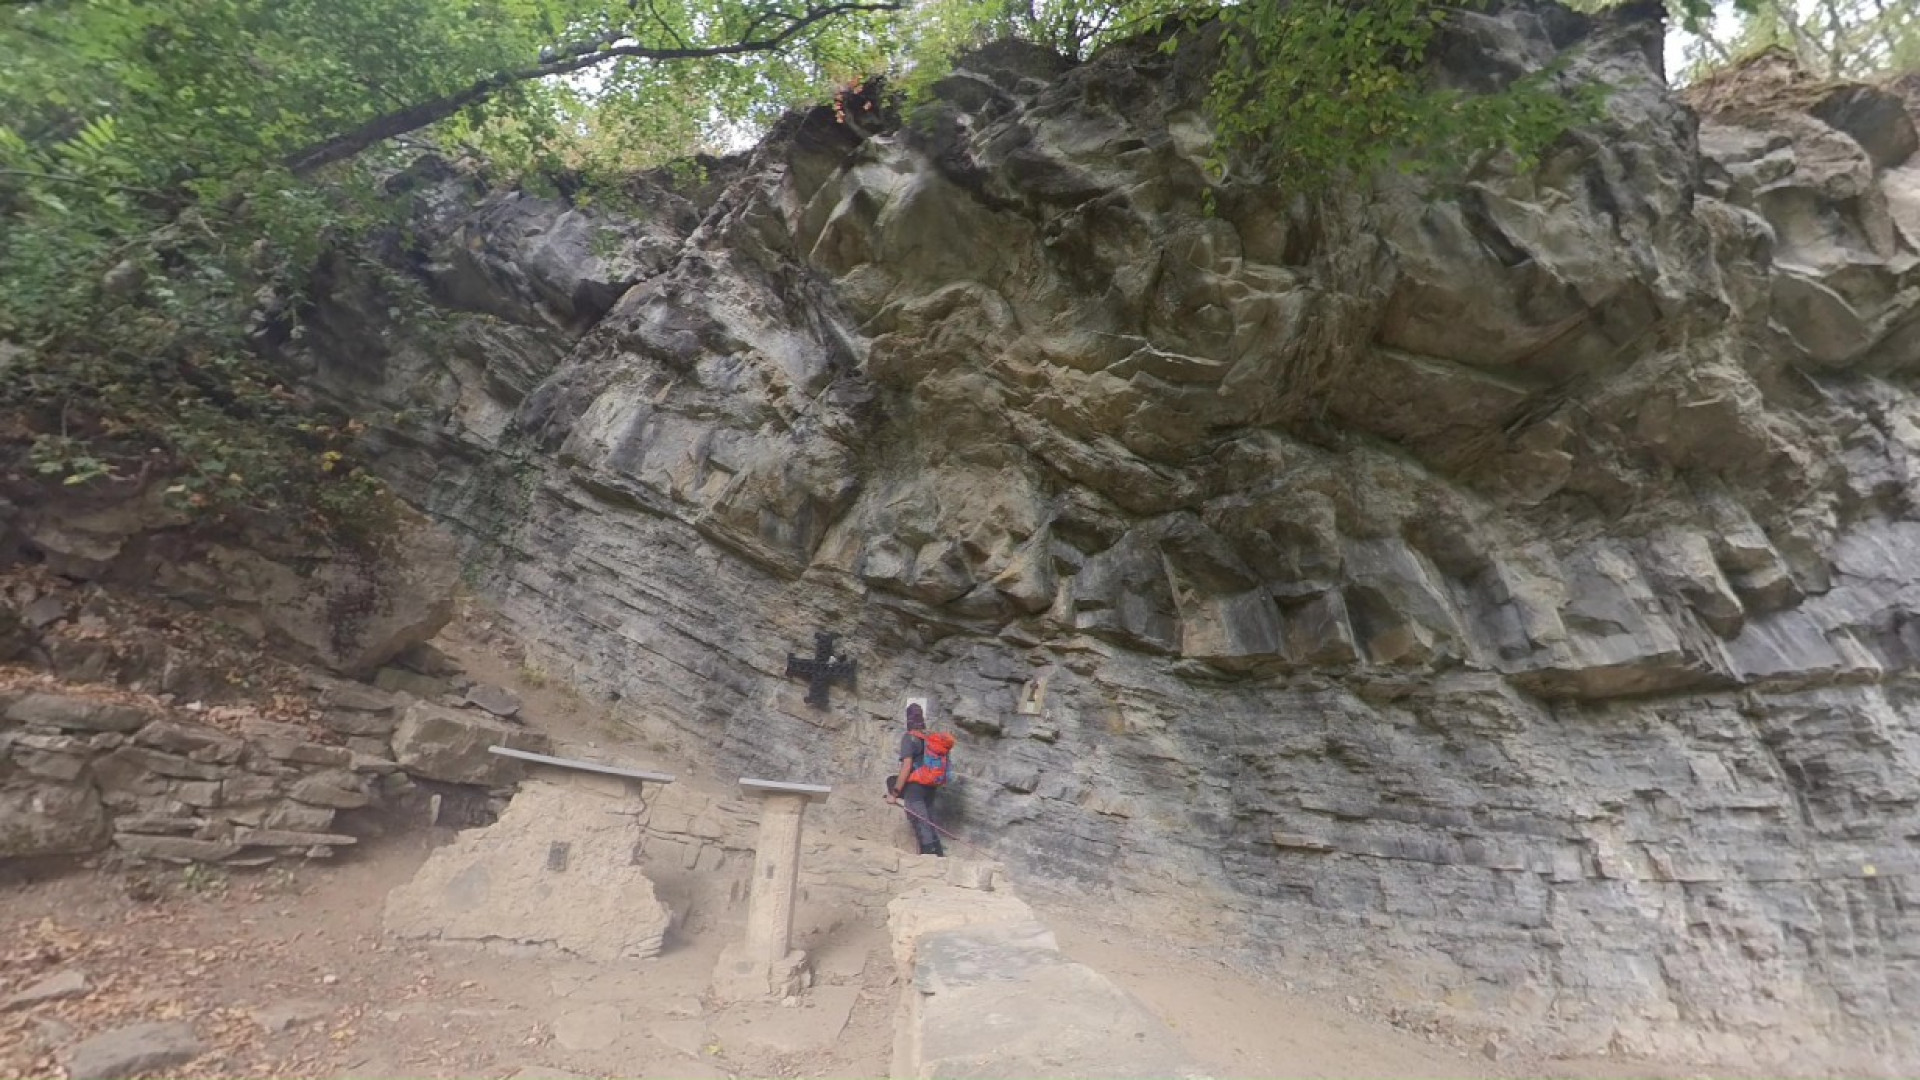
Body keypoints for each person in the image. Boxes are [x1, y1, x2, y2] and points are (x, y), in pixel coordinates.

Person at [886, 703, 946, 857]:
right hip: (930, 787)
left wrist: (895, 793)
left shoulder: (909, 738)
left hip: (916, 787)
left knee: (919, 821)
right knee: (928, 820)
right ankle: (938, 854)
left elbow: (907, 766)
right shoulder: (928, 740)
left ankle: (929, 857)